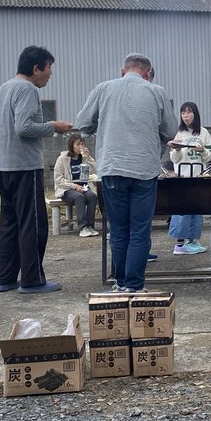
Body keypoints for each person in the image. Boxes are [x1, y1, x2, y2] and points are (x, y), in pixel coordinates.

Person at [75, 52, 176, 292]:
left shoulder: (103, 89)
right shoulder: (157, 91)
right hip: (144, 170)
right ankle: (134, 285)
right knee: (140, 230)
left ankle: (120, 284)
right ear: (148, 74)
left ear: (123, 71)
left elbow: (83, 124)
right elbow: (171, 132)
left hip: (112, 169)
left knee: (118, 230)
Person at [0, 46, 72, 295]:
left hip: (2, 164)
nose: (50, 74)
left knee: (10, 223)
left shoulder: (4, 88)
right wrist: (54, 126)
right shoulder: (27, 88)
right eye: (48, 68)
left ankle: (4, 278)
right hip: (24, 166)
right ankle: (32, 279)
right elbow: (25, 127)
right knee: (33, 224)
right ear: (36, 68)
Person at [167, 101, 211, 255]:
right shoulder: (179, 133)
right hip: (183, 177)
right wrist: (177, 149)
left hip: (198, 176)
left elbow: (210, 155)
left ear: (195, 114)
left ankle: (193, 240)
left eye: (188, 112)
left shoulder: (204, 133)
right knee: (182, 209)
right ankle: (180, 243)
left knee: (196, 210)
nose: (185, 116)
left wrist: (202, 151)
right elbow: (174, 158)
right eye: (183, 113)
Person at [52, 133, 100, 238]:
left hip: (84, 186)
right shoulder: (62, 158)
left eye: (82, 144)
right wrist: (74, 186)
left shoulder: (84, 158)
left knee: (92, 196)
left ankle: (90, 226)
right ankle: (83, 227)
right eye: (78, 144)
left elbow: (95, 171)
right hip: (67, 189)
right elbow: (58, 179)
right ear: (71, 145)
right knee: (79, 197)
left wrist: (88, 159)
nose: (80, 147)